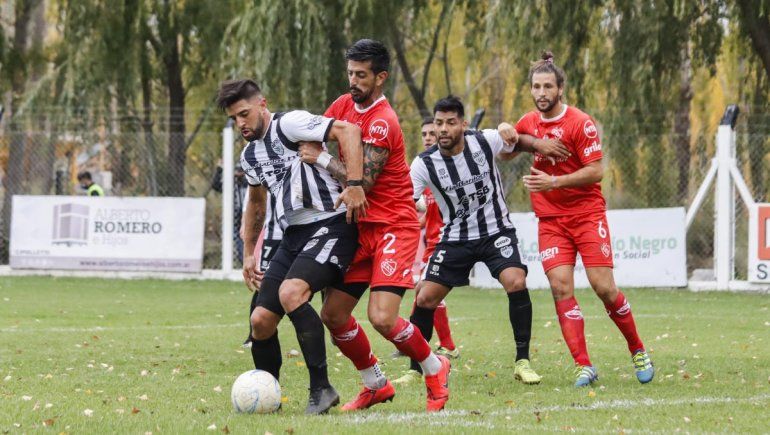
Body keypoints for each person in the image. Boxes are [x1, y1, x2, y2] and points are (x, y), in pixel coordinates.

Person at [297, 39, 450, 412]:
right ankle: (375, 384)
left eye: (362, 75)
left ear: (381, 77)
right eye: (350, 73)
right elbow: (311, 137)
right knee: (333, 315)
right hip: (359, 228)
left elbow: (361, 183)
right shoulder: (342, 105)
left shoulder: (383, 121)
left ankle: (435, 367)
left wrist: (321, 159)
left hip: (394, 226)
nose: (353, 81)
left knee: (381, 317)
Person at [216, 79, 367, 414]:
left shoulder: (290, 124)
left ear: (262, 104)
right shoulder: (250, 155)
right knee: (260, 321)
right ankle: (267, 395)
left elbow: (349, 131)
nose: (240, 123)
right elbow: (256, 204)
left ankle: (321, 388)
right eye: (234, 118)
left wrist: (355, 185)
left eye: (244, 114)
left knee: (291, 293)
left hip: (332, 224)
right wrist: (249, 253)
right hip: (294, 235)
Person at [511, 51, 654, 387]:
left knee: (604, 287)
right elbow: (508, 146)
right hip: (550, 220)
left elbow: (596, 171)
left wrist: (554, 182)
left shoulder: (580, 122)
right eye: (536, 87)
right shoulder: (528, 122)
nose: (541, 92)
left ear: (561, 89)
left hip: (587, 215)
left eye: (548, 86)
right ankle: (584, 366)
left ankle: (637, 349)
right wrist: (517, 135)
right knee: (560, 287)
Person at [408, 95, 543, 387]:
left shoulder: (484, 140)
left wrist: (507, 127)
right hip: (455, 238)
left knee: (516, 281)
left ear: (464, 124)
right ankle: (415, 368)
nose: (443, 129)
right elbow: (406, 201)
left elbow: (514, 141)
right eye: (439, 123)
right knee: (425, 297)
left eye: (450, 123)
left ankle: (522, 361)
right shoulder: (423, 164)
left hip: (496, 231)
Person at [392, 117, 459, 384]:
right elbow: (426, 210)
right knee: (425, 295)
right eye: (425, 134)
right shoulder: (422, 168)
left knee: (424, 294)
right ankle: (438, 348)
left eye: (433, 132)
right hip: (432, 242)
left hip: (449, 242)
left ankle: (426, 353)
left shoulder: (448, 167)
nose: (429, 137)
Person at [241, 188, 282, 347]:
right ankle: (253, 335)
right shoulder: (261, 173)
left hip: (307, 232)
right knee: (263, 283)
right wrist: (245, 221)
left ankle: (333, 329)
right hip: (274, 235)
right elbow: (253, 197)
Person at [211, 162, 249, 264]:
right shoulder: (231, 184)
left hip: (249, 217)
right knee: (239, 244)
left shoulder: (249, 183)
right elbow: (215, 185)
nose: (239, 174)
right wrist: (220, 169)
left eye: (241, 171)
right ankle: (244, 262)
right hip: (235, 218)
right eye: (237, 171)